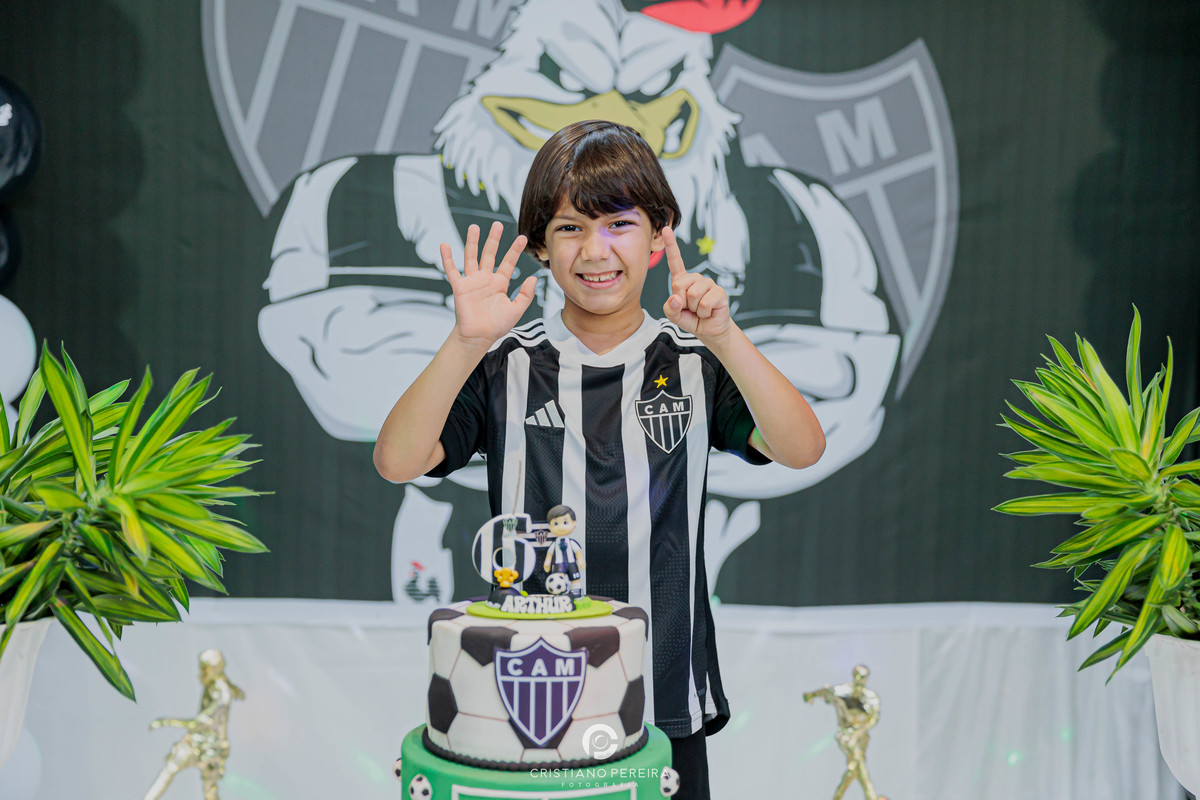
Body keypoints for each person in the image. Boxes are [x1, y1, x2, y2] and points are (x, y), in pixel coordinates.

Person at [374, 119, 825, 800]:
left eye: (619, 224)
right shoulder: (506, 365)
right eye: (570, 228)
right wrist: (465, 343)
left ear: (659, 235)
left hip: (663, 698)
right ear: (540, 247)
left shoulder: (697, 363)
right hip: (528, 699)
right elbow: (397, 460)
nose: (595, 250)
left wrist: (726, 336)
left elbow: (802, 447)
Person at [142, 649, 245, 800]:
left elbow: (202, 721)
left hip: (210, 748)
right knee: (171, 770)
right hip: (200, 743)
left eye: (205, 668)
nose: (202, 672)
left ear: (214, 668)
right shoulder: (214, 686)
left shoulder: (222, 692)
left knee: (209, 790)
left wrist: (166, 722)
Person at [543, 504, 586, 598]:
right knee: (557, 580)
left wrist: (581, 561)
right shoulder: (554, 544)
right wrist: (547, 563)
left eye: (565, 522)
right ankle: (559, 596)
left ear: (574, 523)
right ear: (550, 527)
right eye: (556, 524)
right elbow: (549, 554)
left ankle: (577, 594)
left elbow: (578, 551)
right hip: (559, 565)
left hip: (572, 563)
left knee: (575, 578)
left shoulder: (572, 543)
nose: (561, 527)